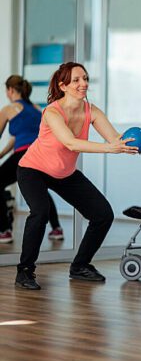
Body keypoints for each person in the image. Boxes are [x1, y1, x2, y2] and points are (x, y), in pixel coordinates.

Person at [15, 62, 140, 290]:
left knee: (102, 214)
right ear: (63, 86)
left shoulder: (91, 110)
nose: (83, 84)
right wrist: (110, 148)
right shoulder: (52, 111)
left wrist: (130, 143)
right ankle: (25, 270)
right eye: (76, 80)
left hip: (64, 173)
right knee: (40, 212)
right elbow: (70, 143)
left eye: (85, 78)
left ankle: (80, 265)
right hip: (33, 169)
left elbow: (114, 139)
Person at [0, 75, 64, 244]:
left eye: (6, 90)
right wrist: (2, 155)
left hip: (24, 155)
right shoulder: (36, 108)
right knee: (41, 189)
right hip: (41, 153)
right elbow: (19, 138)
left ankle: (4, 229)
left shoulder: (8, 109)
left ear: (11, 90)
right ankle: (56, 228)